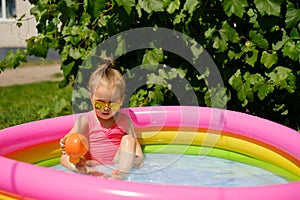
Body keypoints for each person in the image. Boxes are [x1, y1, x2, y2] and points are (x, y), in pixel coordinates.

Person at [60, 57, 144, 179]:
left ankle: (121, 174)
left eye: (112, 104)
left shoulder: (124, 120)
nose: (106, 108)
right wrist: (65, 143)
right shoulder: (86, 120)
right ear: (91, 97)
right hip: (91, 164)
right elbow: (71, 141)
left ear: (121, 101)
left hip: (117, 163)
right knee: (64, 158)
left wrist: (137, 159)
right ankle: (85, 171)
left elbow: (136, 149)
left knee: (129, 140)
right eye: (99, 104)